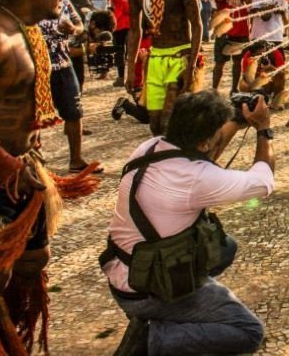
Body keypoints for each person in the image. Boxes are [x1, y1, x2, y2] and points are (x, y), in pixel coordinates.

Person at [0, 0, 99, 352]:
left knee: (31, 265)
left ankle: (10, 335)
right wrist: (2, 166)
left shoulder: (25, 31)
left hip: (21, 174)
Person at [100, 90, 273, 355]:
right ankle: (151, 340)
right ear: (205, 141)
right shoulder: (197, 179)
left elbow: (201, 156)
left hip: (124, 269)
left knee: (225, 247)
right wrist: (264, 128)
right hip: (144, 291)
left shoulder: (150, 147)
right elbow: (264, 181)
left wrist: (237, 122)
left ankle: (170, 314)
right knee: (249, 332)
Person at [125, 0, 203, 136]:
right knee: (156, 124)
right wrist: (131, 68)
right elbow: (134, 30)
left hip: (181, 56)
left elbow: (197, 25)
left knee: (170, 118)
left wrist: (192, 65)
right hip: (155, 59)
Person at [39, 0, 100, 173]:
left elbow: (79, 24)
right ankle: (35, 162)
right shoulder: (30, 0)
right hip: (37, 66)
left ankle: (76, 159)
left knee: (74, 112)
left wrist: (73, 30)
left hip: (64, 63)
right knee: (34, 116)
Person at [211, 0, 251, 94]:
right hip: (224, 29)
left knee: (237, 61)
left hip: (240, 29)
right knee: (219, 62)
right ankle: (214, 89)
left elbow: (249, 1)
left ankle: (234, 88)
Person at [110, 0, 138, 87]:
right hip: (134, 21)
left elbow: (112, 4)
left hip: (120, 22)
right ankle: (135, 75)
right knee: (134, 50)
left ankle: (121, 77)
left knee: (119, 51)